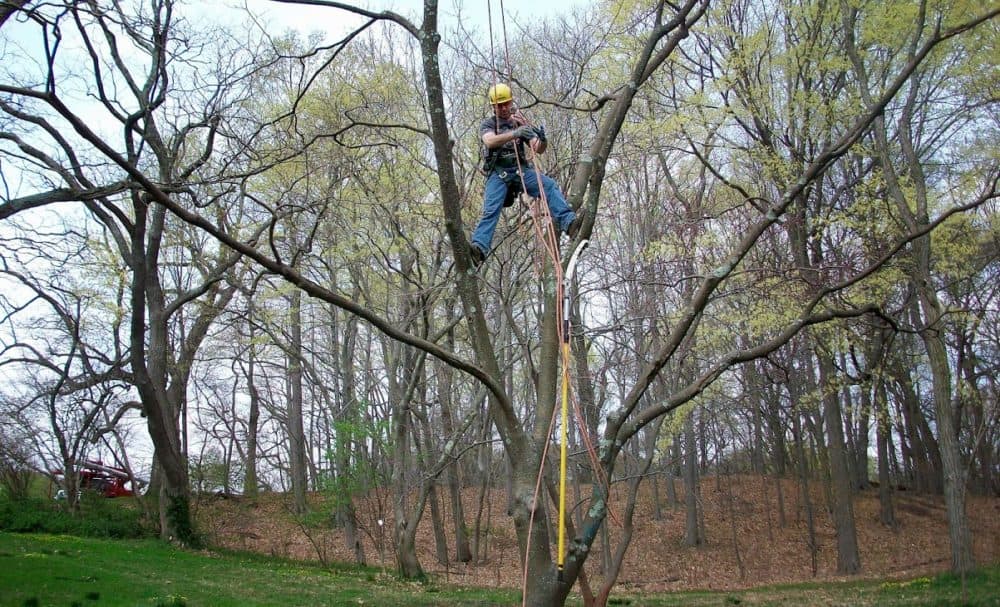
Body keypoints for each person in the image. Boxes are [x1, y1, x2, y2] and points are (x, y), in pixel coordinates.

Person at [469, 83, 585, 267]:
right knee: (491, 210)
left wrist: (542, 139)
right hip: (498, 173)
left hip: (520, 170)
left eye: (506, 103)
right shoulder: (489, 124)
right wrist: (514, 133)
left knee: (548, 185)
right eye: (500, 105)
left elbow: (537, 148)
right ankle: (479, 248)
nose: (504, 108)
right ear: (493, 107)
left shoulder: (519, 122)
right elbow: (490, 141)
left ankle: (569, 222)